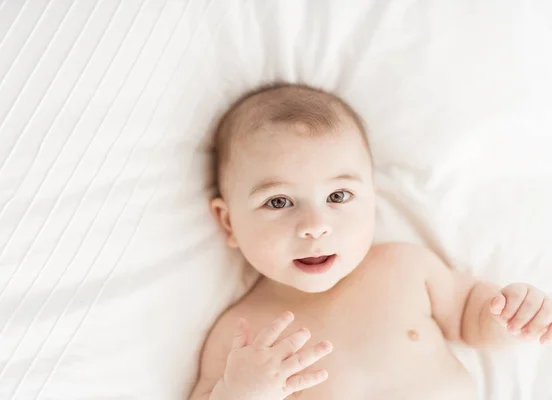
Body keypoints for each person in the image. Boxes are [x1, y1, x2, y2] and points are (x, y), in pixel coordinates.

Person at [189, 82, 552, 399]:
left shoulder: (405, 267)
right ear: (229, 223)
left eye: (338, 196)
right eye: (278, 201)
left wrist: (509, 316)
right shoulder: (241, 335)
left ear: (372, 199)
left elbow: (472, 316)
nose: (315, 226)